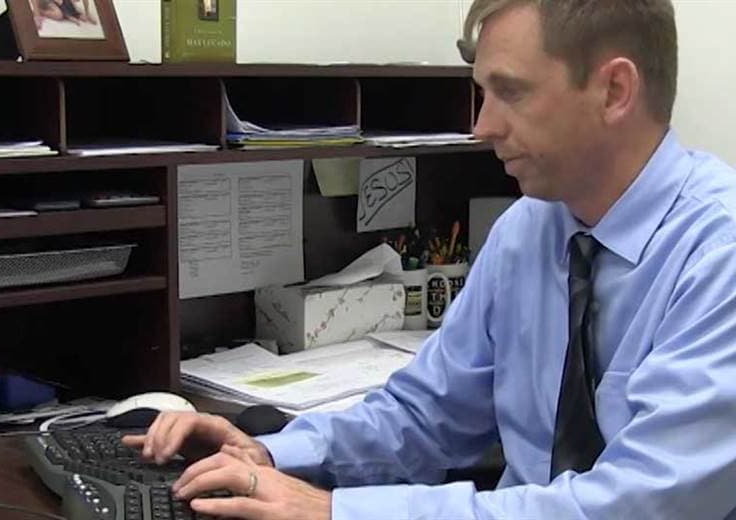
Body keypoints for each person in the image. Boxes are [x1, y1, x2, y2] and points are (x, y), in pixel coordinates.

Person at [124, 0, 736, 518]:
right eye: (482, 94)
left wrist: (334, 511)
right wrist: (270, 453)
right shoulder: (528, 231)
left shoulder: (718, 257)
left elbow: (638, 502)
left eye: (510, 92)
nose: (482, 127)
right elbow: (427, 414)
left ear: (615, 90)